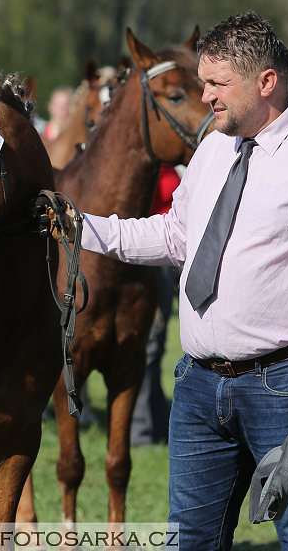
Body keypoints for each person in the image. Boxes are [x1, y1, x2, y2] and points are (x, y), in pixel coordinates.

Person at [55, 11, 288, 549]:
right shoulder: (213, 145)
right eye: (202, 82)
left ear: (266, 82)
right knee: (193, 541)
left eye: (216, 84)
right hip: (199, 385)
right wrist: (83, 228)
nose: (204, 96)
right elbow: (177, 236)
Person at [131, 164, 182, 447]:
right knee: (148, 344)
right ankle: (141, 432)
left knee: (157, 346)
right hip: (152, 252)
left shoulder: (164, 165)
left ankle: (158, 422)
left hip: (166, 255)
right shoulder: (148, 166)